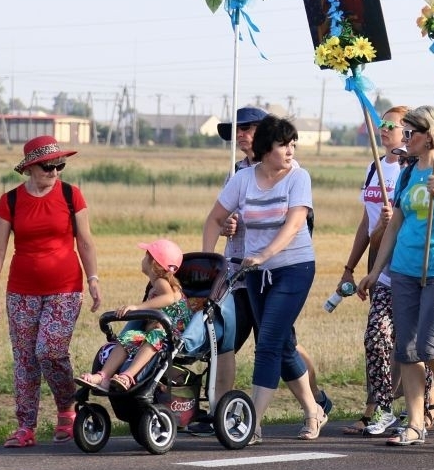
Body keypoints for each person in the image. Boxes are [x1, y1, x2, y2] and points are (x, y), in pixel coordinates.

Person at [190, 106, 331, 435]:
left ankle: (251, 423)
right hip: (252, 273)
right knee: (280, 345)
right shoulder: (242, 178)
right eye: (285, 145)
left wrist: (265, 253)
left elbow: (296, 223)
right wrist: (207, 262)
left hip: (293, 269)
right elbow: (214, 218)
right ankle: (314, 410)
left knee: (267, 342)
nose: (291, 151)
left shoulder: (299, 177)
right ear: (268, 149)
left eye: (293, 145)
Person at [363, 106, 434, 446]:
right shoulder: (409, 173)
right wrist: (376, 270)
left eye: (410, 133)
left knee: (429, 345)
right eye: (404, 133)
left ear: (429, 136)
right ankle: (414, 423)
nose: (405, 139)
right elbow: (395, 224)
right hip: (404, 270)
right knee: (406, 349)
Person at [0, 136, 100, 448]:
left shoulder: (70, 194)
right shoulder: (9, 201)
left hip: (65, 288)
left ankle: (66, 408)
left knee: (49, 350)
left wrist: (93, 279)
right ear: (31, 167)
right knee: (25, 359)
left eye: (60, 165)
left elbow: (85, 242)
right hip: (21, 291)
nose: (55, 171)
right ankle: (25, 426)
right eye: (49, 166)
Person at [340, 106, 409, 436]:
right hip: (379, 270)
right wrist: (349, 267)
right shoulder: (375, 168)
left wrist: (389, 225)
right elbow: (367, 225)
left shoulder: (411, 170)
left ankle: (424, 404)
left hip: (408, 268)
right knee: (378, 338)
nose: (383, 130)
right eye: (381, 124)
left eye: (390, 125)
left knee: (411, 342)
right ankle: (379, 407)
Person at [76, 240, 192, 392]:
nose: (142, 260)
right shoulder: (157, 285)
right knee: (129, 337)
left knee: (154, 335)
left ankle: (127, 376)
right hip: (156, 333)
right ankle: (103, 376)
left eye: (145, 256)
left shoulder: (161, 281)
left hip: (171, 337)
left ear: (153, 263)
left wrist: (137, 307)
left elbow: (169, 298)